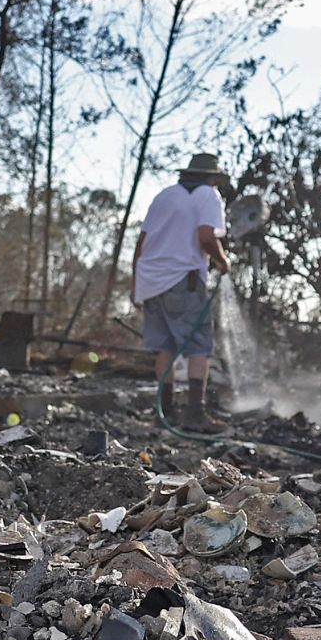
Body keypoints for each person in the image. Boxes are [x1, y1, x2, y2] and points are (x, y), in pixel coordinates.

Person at [132, 153, 233, 432]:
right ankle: (195, 414)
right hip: (182, 280)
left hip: (151, 281)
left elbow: (141, 244)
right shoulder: (208, 195)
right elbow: (205, 236)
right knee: (199, 345)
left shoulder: (164, 196)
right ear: (211, 177)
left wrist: (136, 286)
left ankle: (164, 412)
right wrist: (223, 262)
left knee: (164, 348)